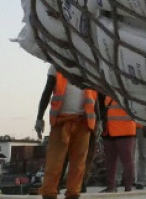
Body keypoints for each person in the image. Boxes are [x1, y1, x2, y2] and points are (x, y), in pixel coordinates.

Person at [35, 67, 98, 199]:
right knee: (54, 161)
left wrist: (99, 120)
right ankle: (49, 193)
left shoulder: (87, 66)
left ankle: (73, 193)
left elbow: (95, 96)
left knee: (78, 163)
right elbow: (47, 92)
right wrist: (39, 117)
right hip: (61, 121)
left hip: (83, 122)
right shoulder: (56, 66)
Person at [98, 95, 136, 192]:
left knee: (126, 160)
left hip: (124, 131)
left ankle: (127, 187)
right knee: (110, 160)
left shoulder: (126, 90)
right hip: (110, 130)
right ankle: (111, 186)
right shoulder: (107, 91)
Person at [132, 125, 146, 190]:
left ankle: (141, 181)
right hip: (126, 125)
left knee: (144, 154)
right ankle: (124, 179)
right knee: (126, 154)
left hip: (142, 126)